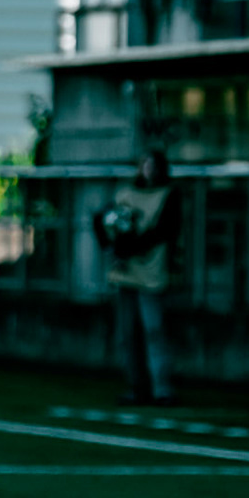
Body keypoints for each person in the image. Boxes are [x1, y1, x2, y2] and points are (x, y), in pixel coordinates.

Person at [94, 147, 181, 406]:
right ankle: (136, 386)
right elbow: (102, 220)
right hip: (126, 273)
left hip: (152, 272)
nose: (148, 170)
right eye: (145, 165)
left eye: (153, 165)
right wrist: (112, 246)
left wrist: (127, 247)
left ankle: (162, 388)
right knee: (127, 333)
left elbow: (163, 231)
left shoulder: (168, 195)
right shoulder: (126, 194)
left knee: (154, 331)